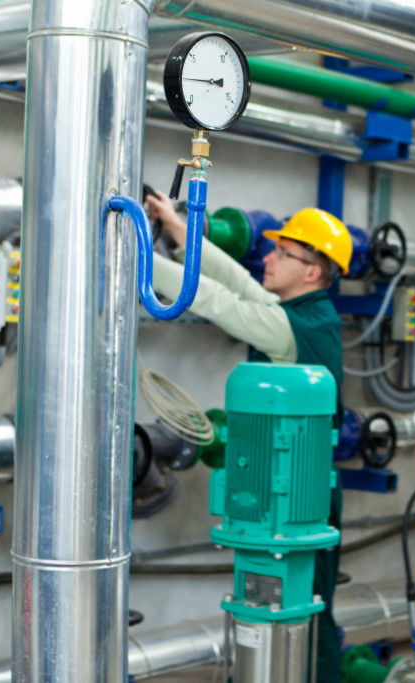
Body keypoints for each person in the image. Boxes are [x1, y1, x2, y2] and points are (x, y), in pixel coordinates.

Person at [146, 191, 351, 683]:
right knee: (269, 608)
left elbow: (219, 302)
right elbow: (237, 282)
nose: (269, 256)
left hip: (301, 502)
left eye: (284, 253)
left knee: (306, 615)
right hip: (283, 496)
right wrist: (177, 229)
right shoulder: (301, 312)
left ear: (312, 272)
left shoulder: (292, 326)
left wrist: (137, 255)